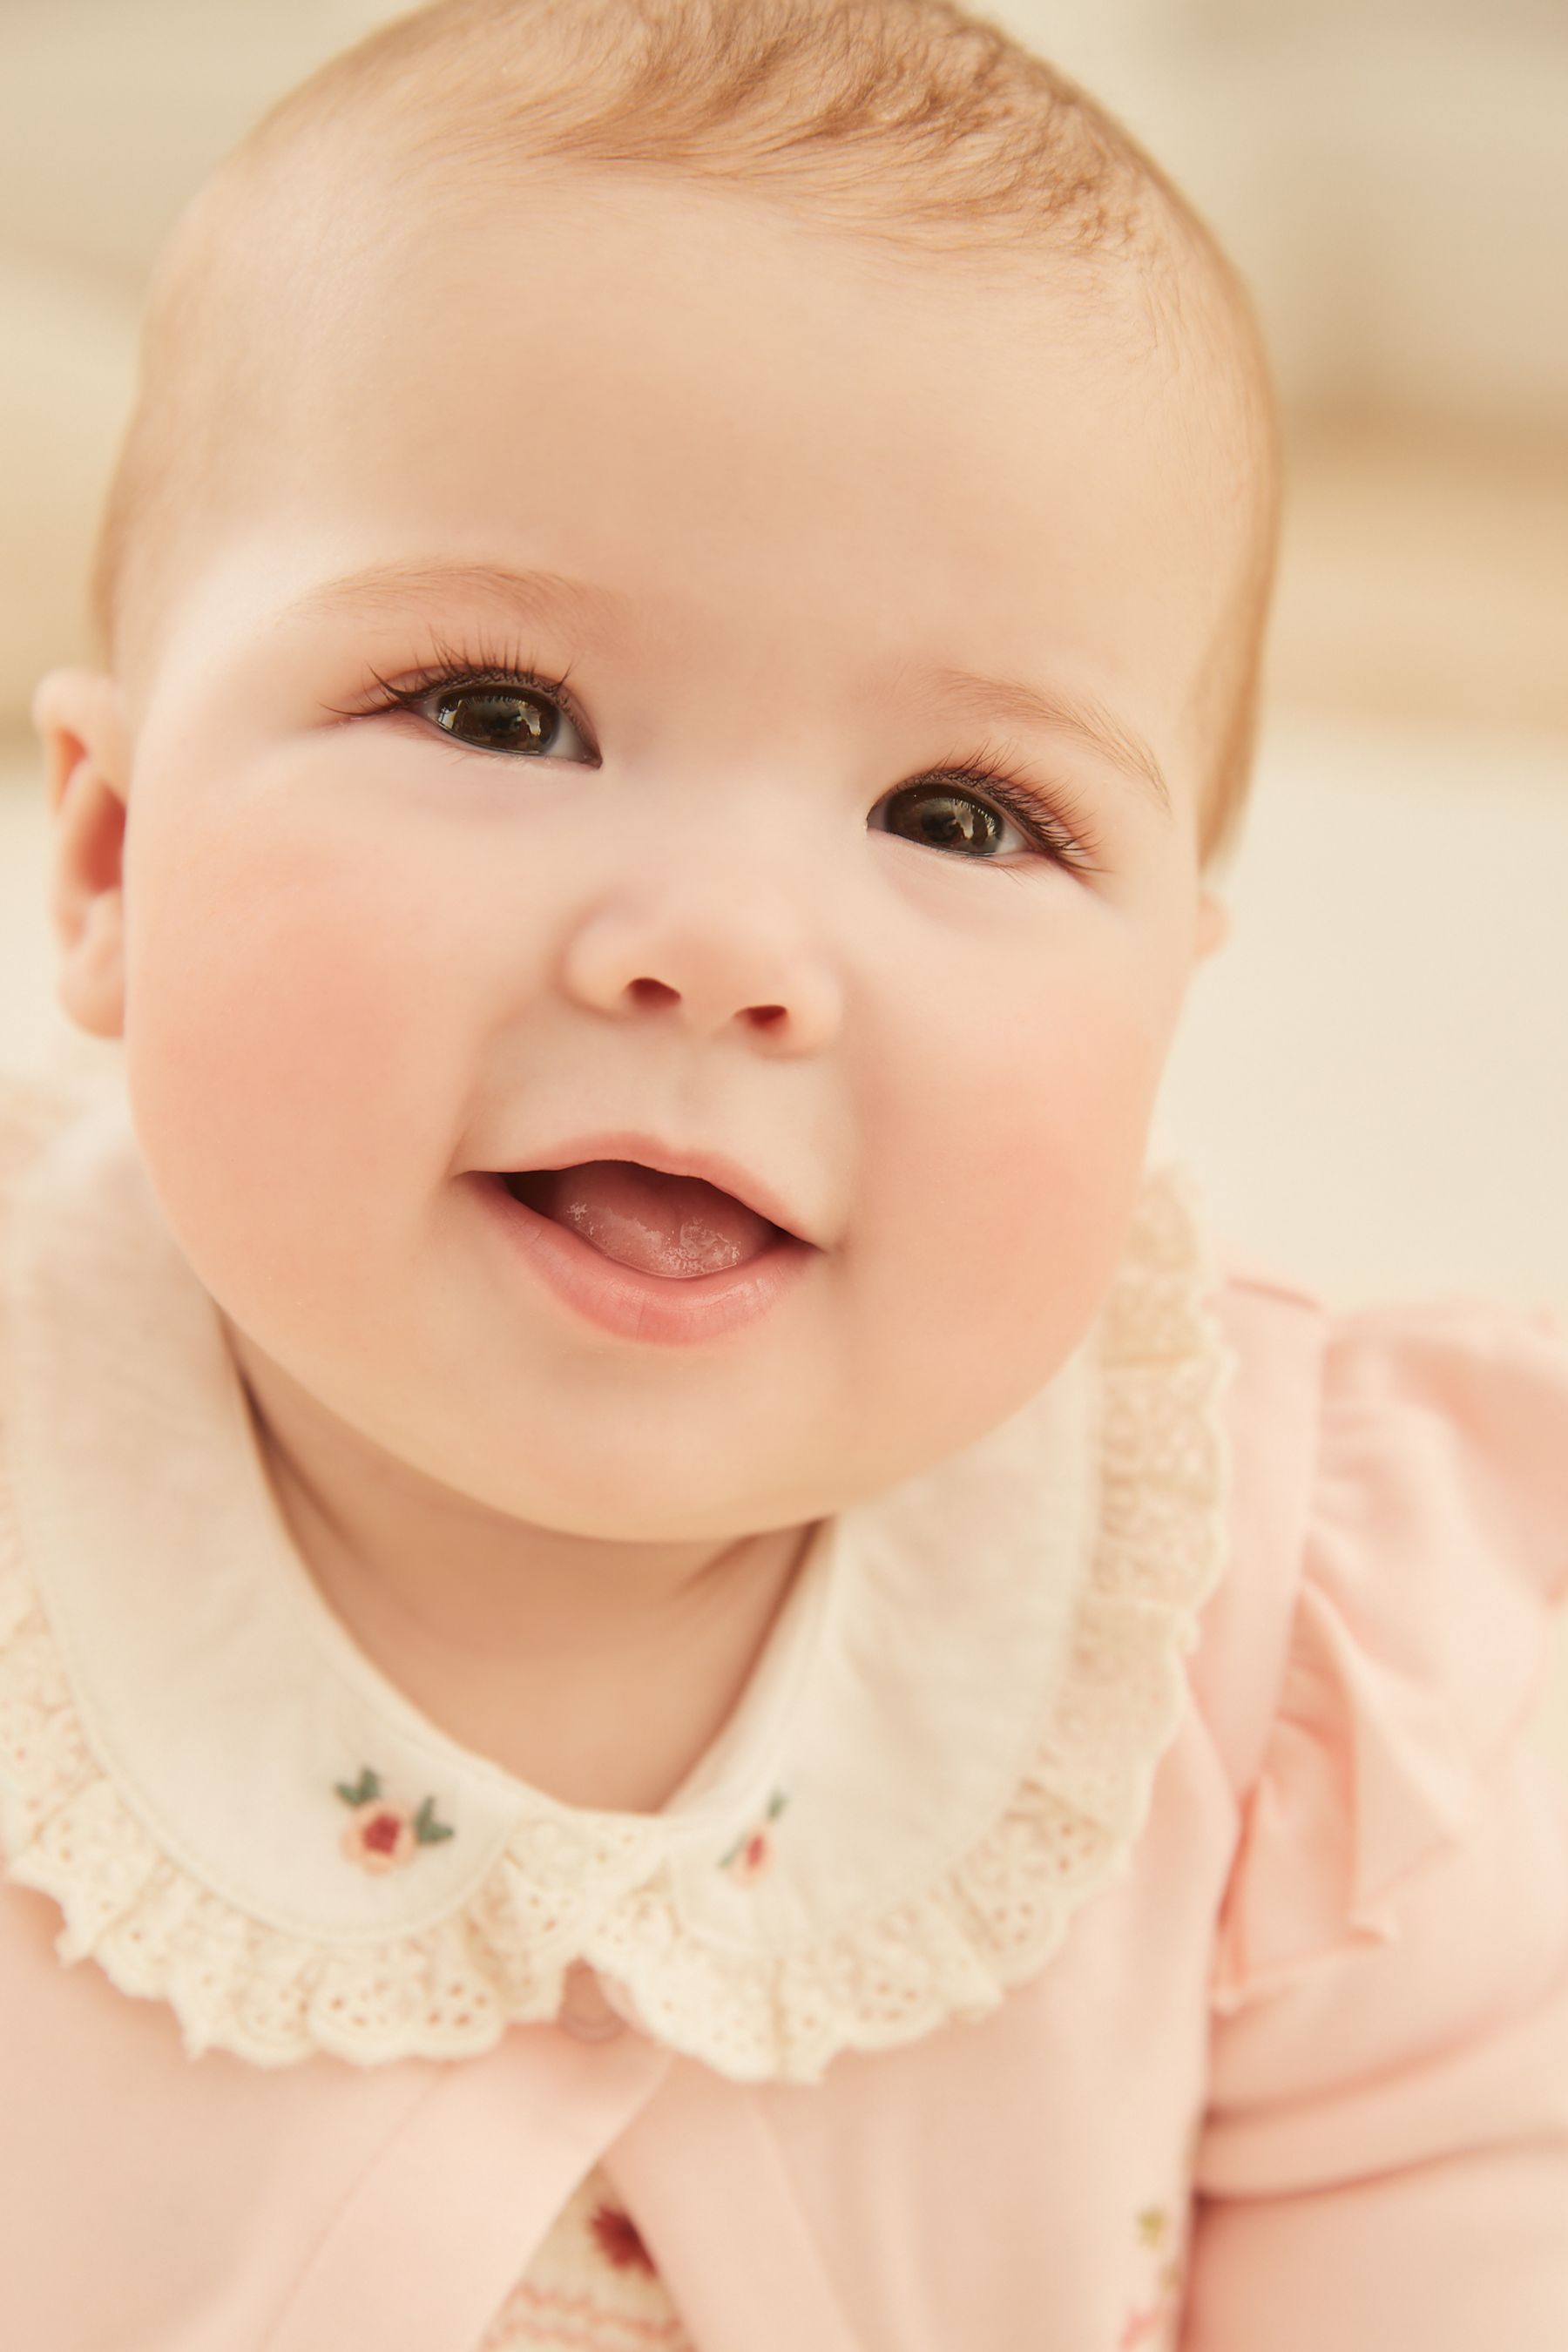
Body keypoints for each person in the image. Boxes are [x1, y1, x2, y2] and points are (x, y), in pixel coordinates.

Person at [3, 1, 1565, 2344]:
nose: (729, 953)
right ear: (114, 857)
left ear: (1171, 996)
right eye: (506, 715)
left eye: (964, 815)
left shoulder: (1294, 1653)